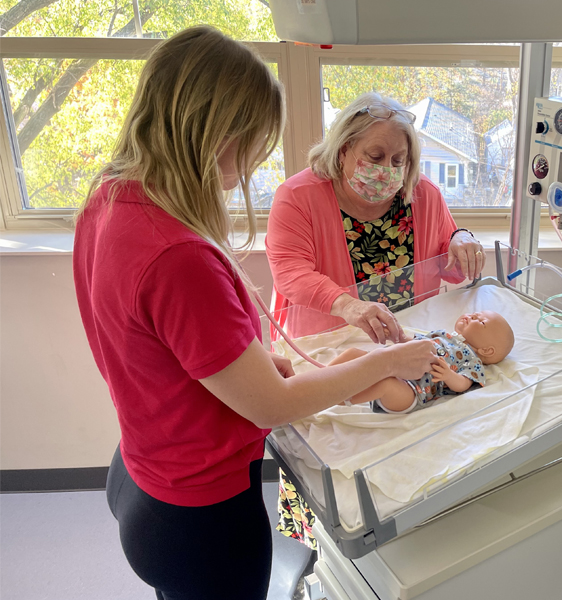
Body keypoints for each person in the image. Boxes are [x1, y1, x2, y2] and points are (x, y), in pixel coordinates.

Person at [72, 27, 438, 600]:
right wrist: (385, 361)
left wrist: (254, 362)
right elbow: (271, 405)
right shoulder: (180, 255)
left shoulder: (112, 196)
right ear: (210, 131)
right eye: (250, 144)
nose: (248, 167)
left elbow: (154, 342)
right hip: (198, 517)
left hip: (141, 473)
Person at [265, 92, 486, 551]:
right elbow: (289, 270)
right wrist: (347, 306)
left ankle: (405, 539)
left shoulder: (420, 195)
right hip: (322, 346)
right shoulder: (299, 196)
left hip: (400, 344)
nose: (388, 168)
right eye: (375, 155)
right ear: (343, 150)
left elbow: (448, 247)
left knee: (397, 450)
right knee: (329, 457)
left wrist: (463, 238)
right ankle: (320, 554)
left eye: (400, 158)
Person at [331, 310, 515, 413]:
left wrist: (448, 375)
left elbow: (464, 385)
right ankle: (322, 376)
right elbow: (415, 345)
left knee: (386, 384)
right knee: (353, 353)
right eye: (475, 313)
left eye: (480, 322)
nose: (472, 316)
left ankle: (341, 399)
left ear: (487, 350)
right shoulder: (442, 335)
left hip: (412, 390)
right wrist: (399, 338)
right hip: (391, 366)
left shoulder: (472, 360)